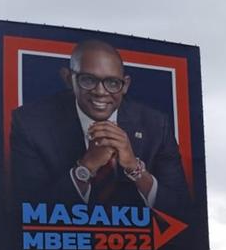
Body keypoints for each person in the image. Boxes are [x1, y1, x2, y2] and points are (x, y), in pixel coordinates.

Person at [10, 39, 190, 216]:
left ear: (125, 85)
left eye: (112, 83)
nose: (100, 92)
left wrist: (134, 168)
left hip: (140, 243)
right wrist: (86, 168)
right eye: (88, 80)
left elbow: (182, 210)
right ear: (68, 78)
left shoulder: (156, 125)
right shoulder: (30, 123)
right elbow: (24, 212)